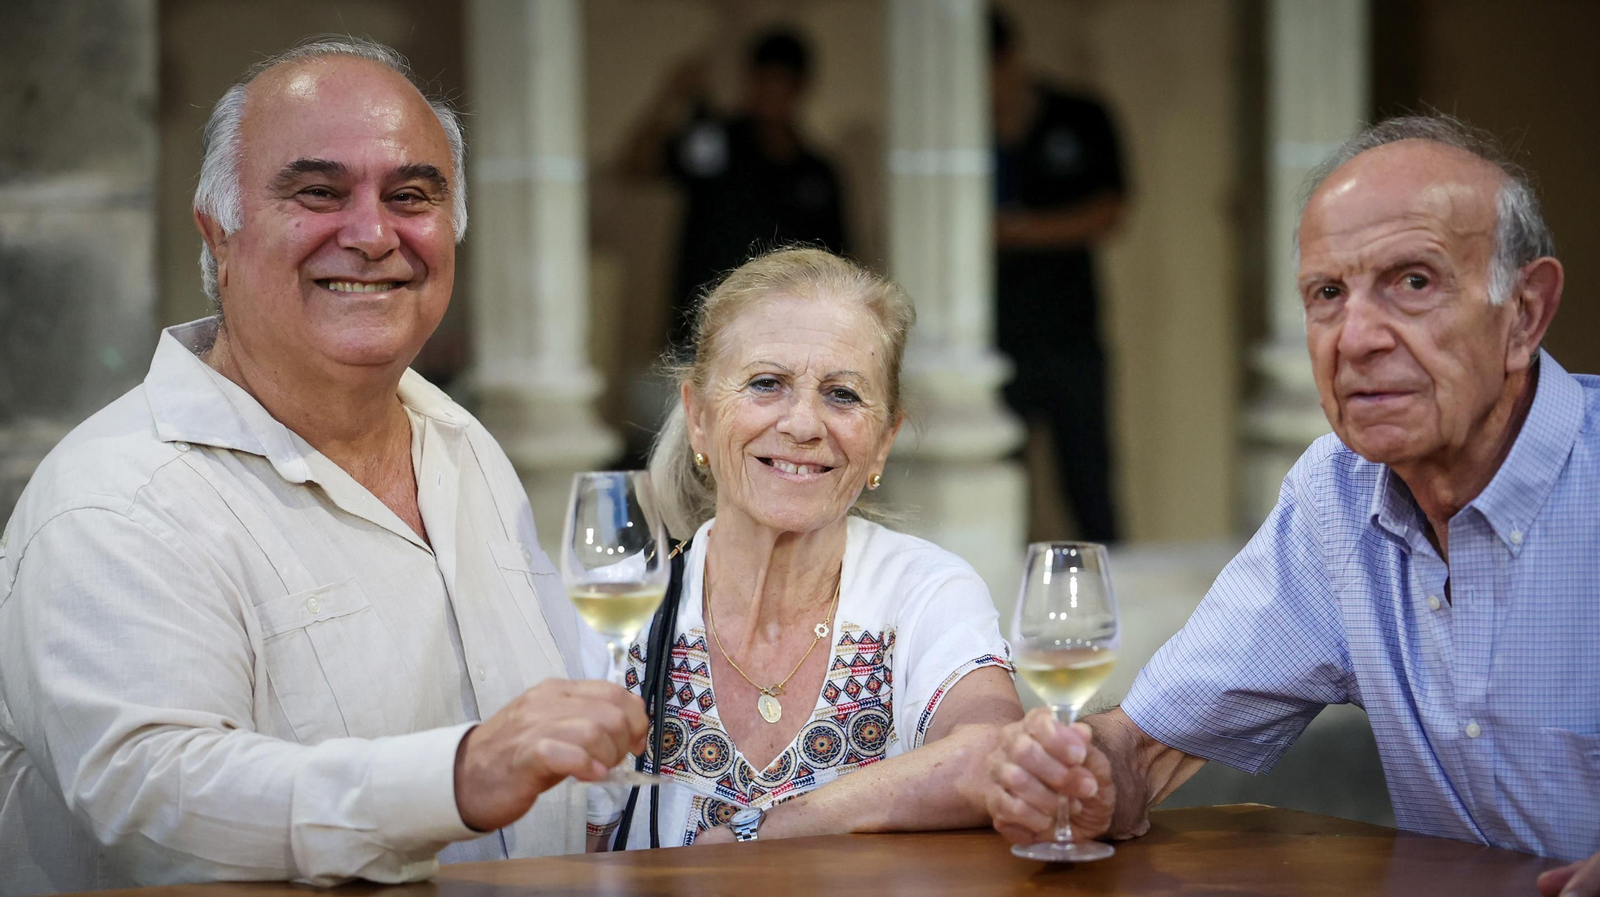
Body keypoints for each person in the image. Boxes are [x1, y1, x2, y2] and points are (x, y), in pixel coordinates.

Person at [0, 39, 646, 895]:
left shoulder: (464, 444)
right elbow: (149, 800)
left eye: (411, 195)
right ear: (218, 233)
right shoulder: (116, 500)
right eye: (318, 192)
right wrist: (456, 776)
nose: (374, 234)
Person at [983, 115, 1600, 895]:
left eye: (1413, 281)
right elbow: (1144, 750)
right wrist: (1075, 776)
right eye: (1327, 294)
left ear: (1525, 314)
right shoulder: (1336, 498)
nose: (1357, 337)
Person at [589, 248, 1023, 849]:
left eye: (843, 395)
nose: (803, 424)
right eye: (766, 384)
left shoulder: (922, 589)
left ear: (882, 443)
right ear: (699, 419)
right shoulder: (620, 608)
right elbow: (568, 846)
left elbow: (996, 757)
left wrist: (765, 831)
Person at [989, 8, 1127, 543]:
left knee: (1089, 479)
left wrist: (1018, 231)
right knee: (992, 480)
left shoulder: (1079, 115)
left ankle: (1111, 601)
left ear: (1009, 60)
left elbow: (1110, 210)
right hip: (995, 342)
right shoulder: (965, 137)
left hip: (1072, 332)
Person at [620, 29, 849, 352]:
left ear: (800, 88)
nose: (771, 94)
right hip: (706, 329)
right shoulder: (716, 142)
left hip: (786, 338)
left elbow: (838, 266)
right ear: (750, 81)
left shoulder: (818, 173)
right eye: (764, 81)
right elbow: (634, 167)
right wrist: (671, 97)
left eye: (781, 83)